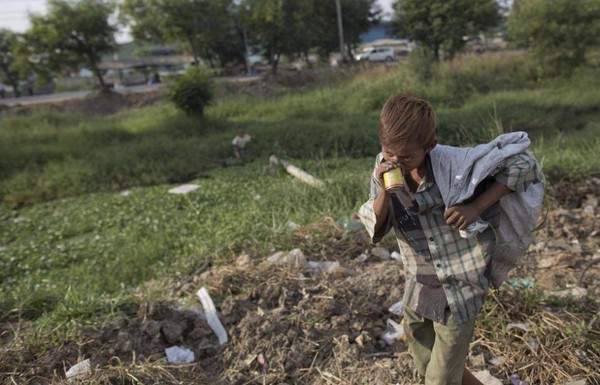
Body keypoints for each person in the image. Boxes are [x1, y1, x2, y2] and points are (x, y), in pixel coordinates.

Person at [358, 93, 544, 385]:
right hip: (418, 287)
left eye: (407, 157)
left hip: (459, 288)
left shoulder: (455, 166)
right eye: (389, 153)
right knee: (429, 367)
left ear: (430, 146)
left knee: (440, 379)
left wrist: (476, 207)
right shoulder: (385, 167)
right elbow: (377, 227)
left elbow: (524, 165)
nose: (397, 162)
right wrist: (383, 190)